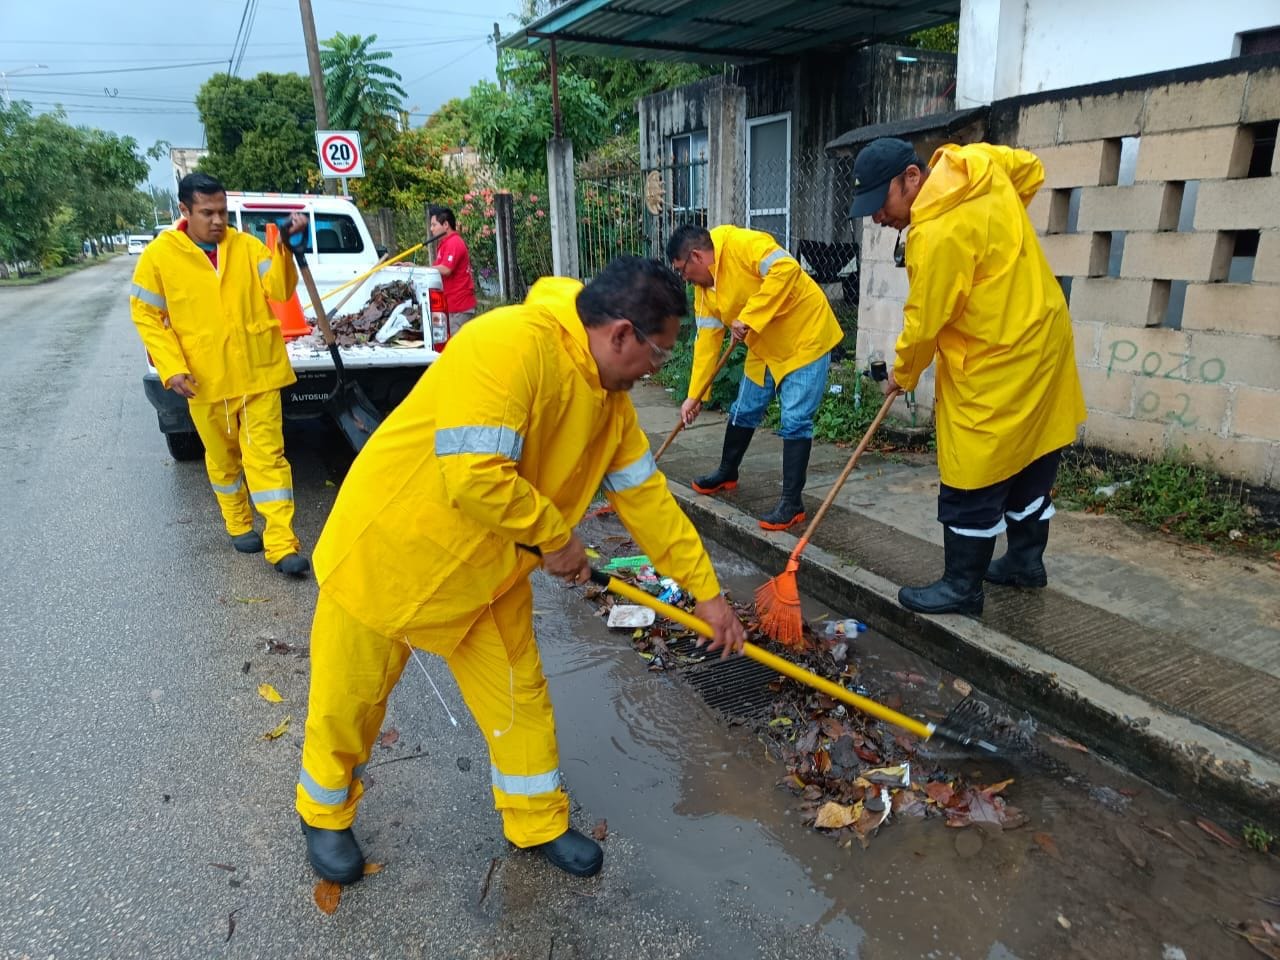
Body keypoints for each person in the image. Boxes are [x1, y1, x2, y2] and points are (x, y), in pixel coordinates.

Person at [296, 256, 747, 885]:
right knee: (350, 699)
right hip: (391, 554)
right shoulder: (508, 344)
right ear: (621, 334)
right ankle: (323, 811)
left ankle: (534, 819)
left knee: (520, 699)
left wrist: (707, 593)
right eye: (659, 354)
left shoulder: (610, 407)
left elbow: (649, 504)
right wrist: (556, 541)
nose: (655, 371)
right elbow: (476, 474)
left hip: (488, 577)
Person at [849, 137, 1086, 615]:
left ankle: (962, 587)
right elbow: (1032, 169)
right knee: (1033, 454)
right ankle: (1024, 563)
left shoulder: (935, 234)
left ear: (912, 178)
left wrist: (904, 373)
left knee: (972, 472)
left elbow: (925, 322)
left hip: (995, 356)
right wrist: (1001, 229)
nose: (877, 218)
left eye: (881, 203)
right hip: (1045, 336)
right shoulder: (974, 162)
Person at [129, 172, 311, 577]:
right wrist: (171, 368)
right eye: (207, 212)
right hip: (204, 380)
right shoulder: (160, 257)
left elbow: (280, 291)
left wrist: (287, 249)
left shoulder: (246, 246)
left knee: (268, 459)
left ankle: (282, 543)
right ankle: (238, 522)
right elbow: (146, 316)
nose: (217, 221)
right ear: (184, 211)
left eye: (222, 212)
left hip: (259, 372)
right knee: (223, 457)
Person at [666, 224, 844, 532]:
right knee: (744, 408)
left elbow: (786, 269)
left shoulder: (742, 244)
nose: (684, 279)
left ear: (696, 256)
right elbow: (707, 340)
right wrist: (695, 396)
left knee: (795, 418)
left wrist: (749, 316)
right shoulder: (703, 289)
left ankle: (792, 503)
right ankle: (727, 472)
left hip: (804, 337)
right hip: (763, 343)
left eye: (683, 271)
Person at [427, 203, 478, 331]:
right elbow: (437, 269)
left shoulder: (454, 242)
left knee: (458, 347)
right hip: (449, 306)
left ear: (445, 225)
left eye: (434, 225)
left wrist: (422, 268)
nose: (431, 229)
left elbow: (446, 269)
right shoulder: (443, 243)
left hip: (460, 309)